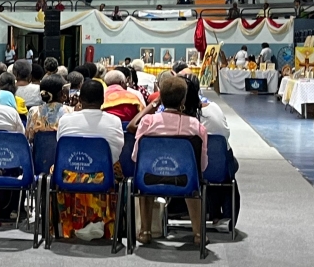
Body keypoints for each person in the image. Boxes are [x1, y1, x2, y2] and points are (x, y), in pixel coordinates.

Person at [128, 76, 207, 245]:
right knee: (193, 182)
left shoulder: (148, 122)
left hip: (150, 179)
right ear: (183, 100)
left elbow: (136, 157)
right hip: (185, 181)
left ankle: (145, 231)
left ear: (161, 98)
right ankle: (199, 234)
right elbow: (202, 165)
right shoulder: (195, 125)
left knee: (144, 178)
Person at [53, 80, 125, 240]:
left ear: (80, 99)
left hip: (68, 176)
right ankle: (102, 220)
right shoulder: (114, 121)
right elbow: (117, 153)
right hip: (105, 177)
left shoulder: (65, 120)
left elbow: (61, 148)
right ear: (103, 100)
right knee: (116, 168)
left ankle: (72, 225)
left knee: (54, 170)